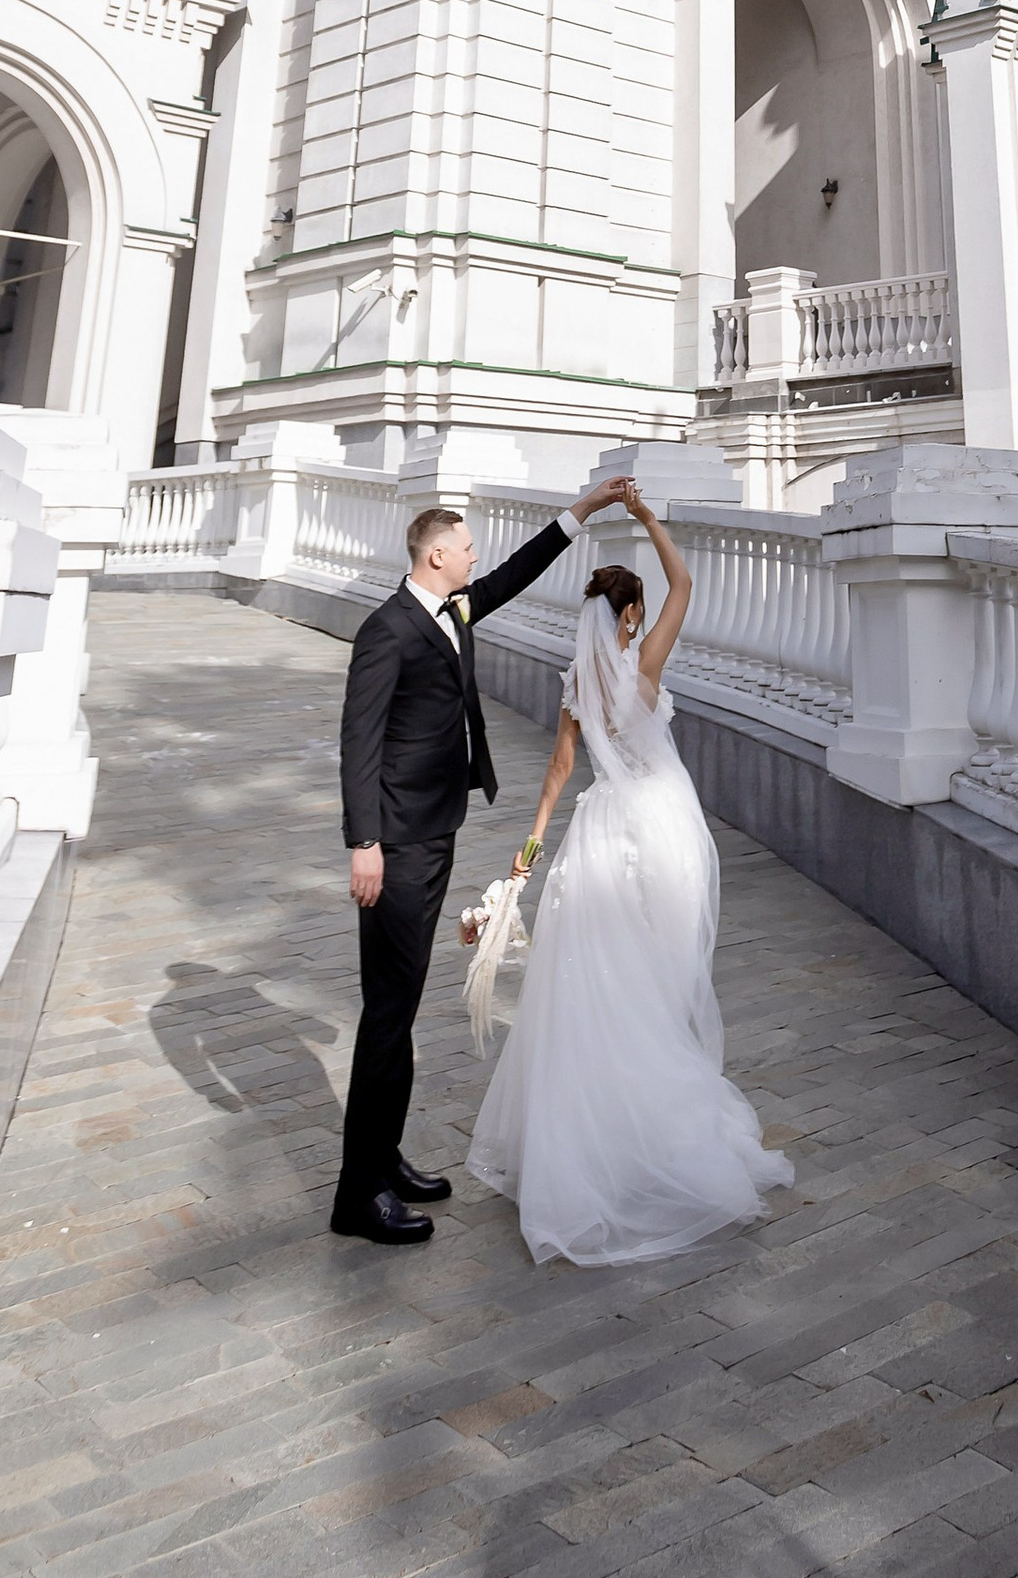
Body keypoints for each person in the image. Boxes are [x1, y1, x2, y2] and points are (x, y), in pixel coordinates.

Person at [466, 485, 793, 1266]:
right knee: (662, 980)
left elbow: (557, 773)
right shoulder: (643, 661)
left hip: (603, 832)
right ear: (632, 617)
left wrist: (529, 853)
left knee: (599, 987)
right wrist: (649, 519)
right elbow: (686, 585)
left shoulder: (579, 686)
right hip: (664, 826)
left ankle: (602, 1136)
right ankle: (660, 1129)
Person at [334, 472, 636, 1244]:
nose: (476, 559)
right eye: (465, 549)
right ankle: (358, 1197)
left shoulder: (452, 609)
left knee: (400, 1009)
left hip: (434, 829)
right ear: (436, 556)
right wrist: (363, 844)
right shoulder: (388, 630)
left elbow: (517, 572)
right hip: (396, 843)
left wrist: (586, 509)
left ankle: (385, 1158)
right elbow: (358, 744)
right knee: (388, 1011)